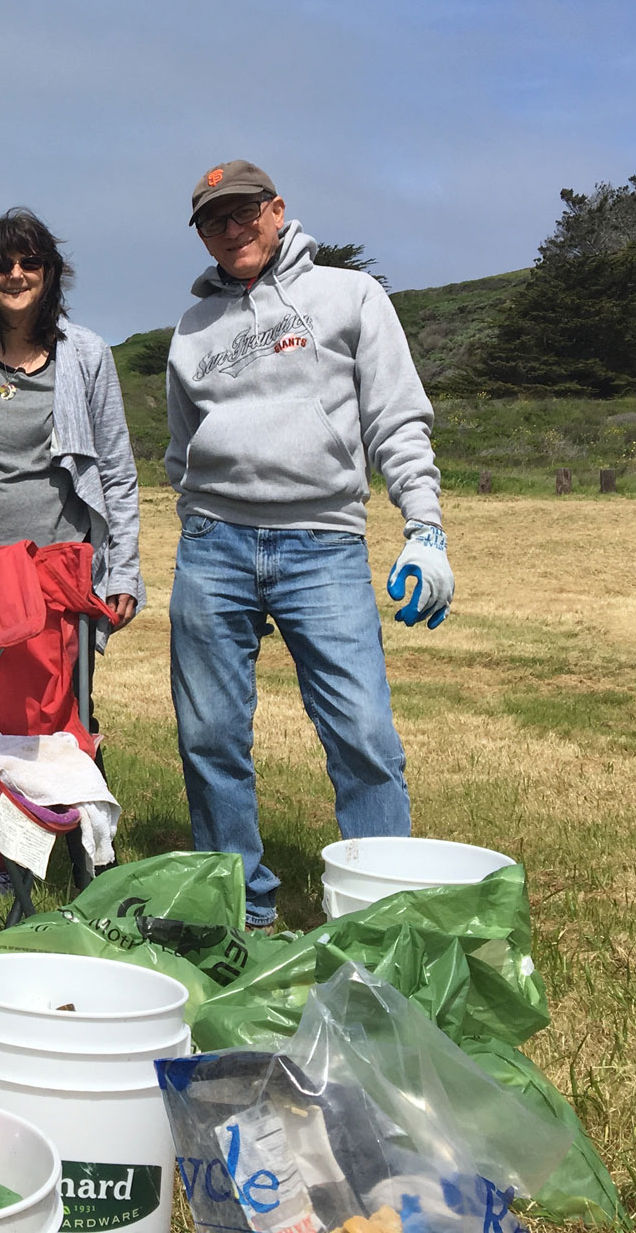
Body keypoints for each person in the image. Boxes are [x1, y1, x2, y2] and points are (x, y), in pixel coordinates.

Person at [164, 160, 454, 932]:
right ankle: (241, 912)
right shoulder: (191, 330)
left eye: (244, 213)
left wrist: (423, 530)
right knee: (209, 735)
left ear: (278, 209)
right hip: (214, 544)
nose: (231, 231)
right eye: (213, 221)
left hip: (322, 543)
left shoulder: (349, 295)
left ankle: (384, 916)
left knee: (362, 733)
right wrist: (197, 515)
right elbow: (180, 445)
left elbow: (396, 418)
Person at [0, 209, 144, 699]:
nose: (15, 274)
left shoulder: (87, 355)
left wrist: (124, 570)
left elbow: (116, 472)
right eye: (1, 265)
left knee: (63, 712)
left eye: (29, 262)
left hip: (58, 565)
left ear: (50, 272)